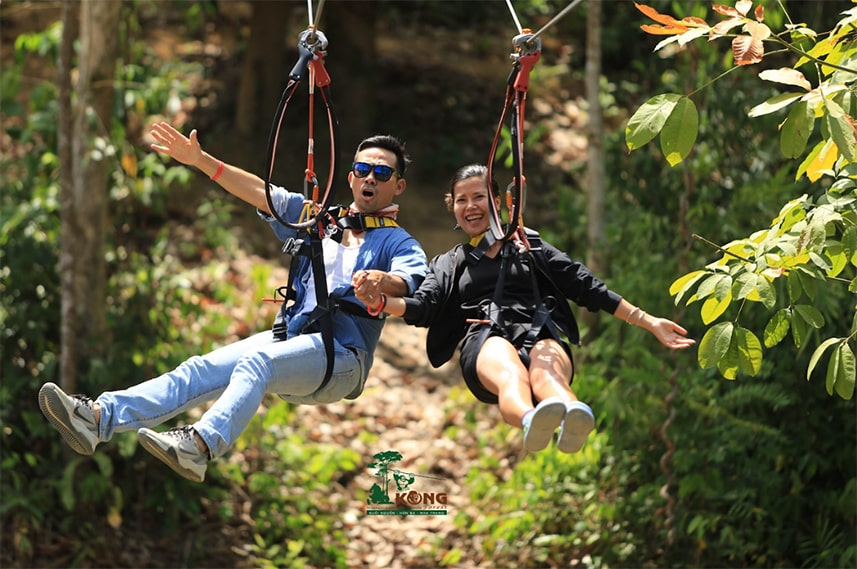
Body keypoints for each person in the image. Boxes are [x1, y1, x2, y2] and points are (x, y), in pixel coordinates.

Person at [38, 123, 427, 482]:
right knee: (198, 370)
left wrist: (382, 282)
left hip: (341, 357)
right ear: (351, 177)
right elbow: (260, 192)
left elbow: (412, 281)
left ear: (399, 186)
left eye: (382, 173)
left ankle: (199, 446)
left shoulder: (398, 242)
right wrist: (200, 160)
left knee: (258, 363)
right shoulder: (319, 219)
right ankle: (97, 418)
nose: (370, 178)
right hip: (293, 342)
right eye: (363, 169)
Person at [353, 164, 695, 454]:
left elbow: (586, 286)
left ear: (497, 201)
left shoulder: (529, 245)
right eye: (461, 200)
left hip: (539, 328)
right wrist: (381, 303)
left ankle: (573, 414)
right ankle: (532, 420)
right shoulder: (451, 263)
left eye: (479, 197)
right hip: (485, 336)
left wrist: (648, 321)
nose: (470, 206)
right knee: (511, 373)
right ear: (452, 207)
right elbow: (423, 307)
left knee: (548, 374)